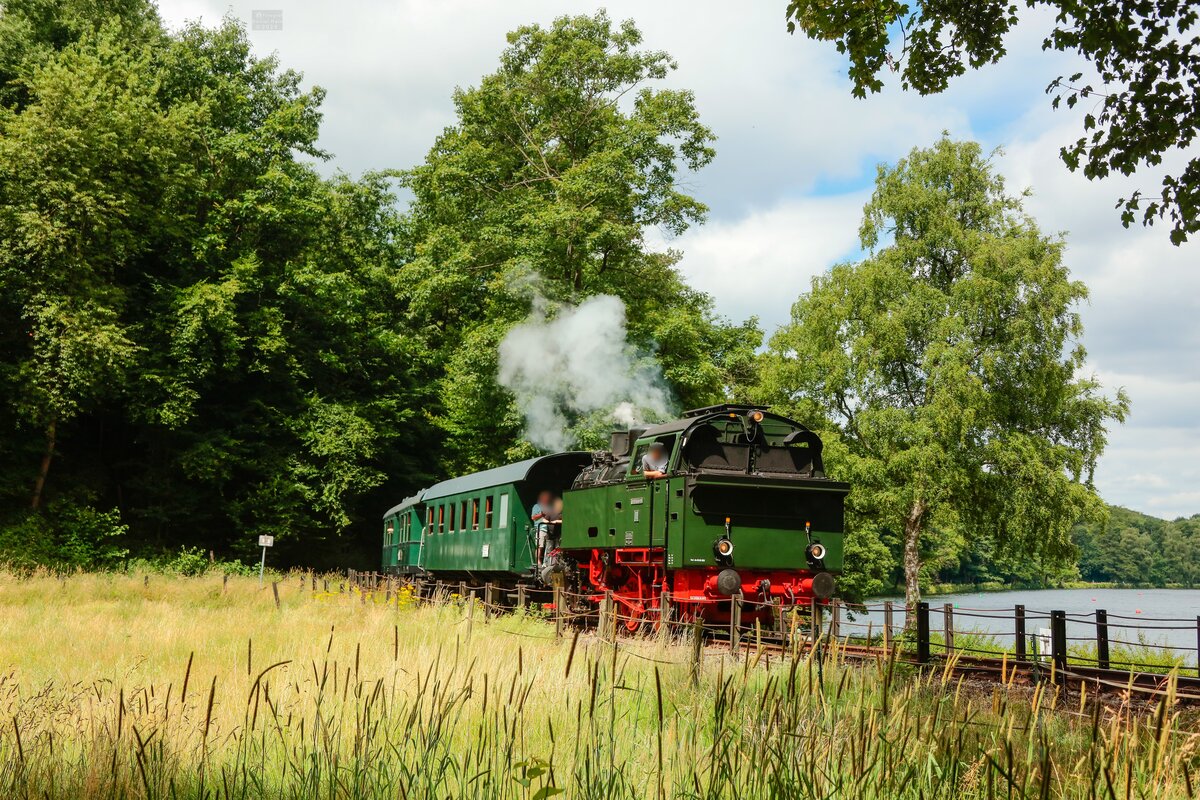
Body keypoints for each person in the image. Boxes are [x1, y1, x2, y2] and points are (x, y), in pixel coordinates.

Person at [532, 491, 553, 566]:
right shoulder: (536, 506)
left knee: (548, 545)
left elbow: (550, 517)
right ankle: (538, 562)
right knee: (539, 546)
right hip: (540, 528)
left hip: (548, 529)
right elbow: (533, 517)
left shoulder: (549, 507)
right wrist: (541, 514)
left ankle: (546, 562)